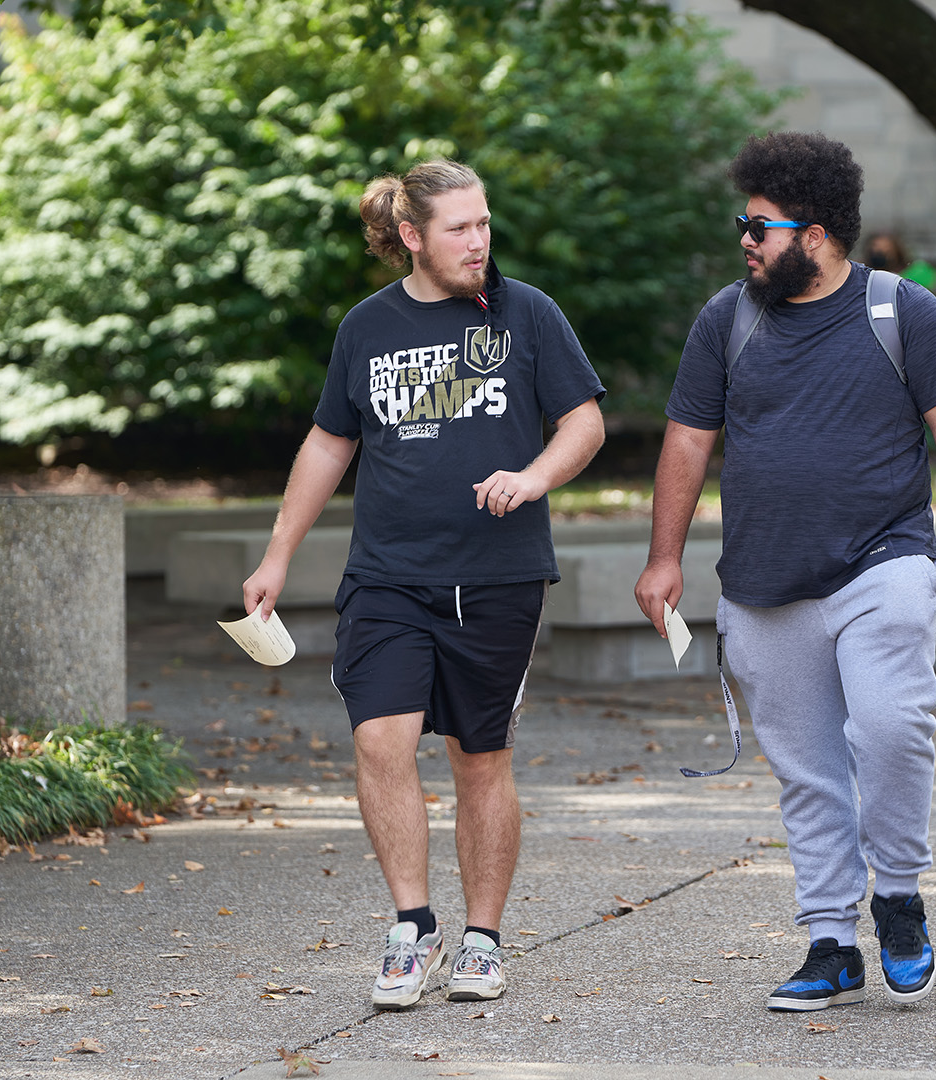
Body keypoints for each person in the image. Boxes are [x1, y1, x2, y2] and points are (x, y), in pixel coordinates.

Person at [634, 133, 936, 1012]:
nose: (744, 240)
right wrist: (663, 558)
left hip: (882, 561)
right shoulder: (728, 319)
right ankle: (832, 942)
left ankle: (899, 897)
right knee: (806, 771)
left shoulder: (903, 313)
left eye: (757, 224)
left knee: (890, 727)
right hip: (762, 582)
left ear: (816, 233)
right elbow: (688, 444)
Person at [242, 160, 606, 1010]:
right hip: (388, 575)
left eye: (485, 224)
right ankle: (413, 926)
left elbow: (583, 421)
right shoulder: (366, 327)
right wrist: (276, 555)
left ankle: (483, 941)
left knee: (479, 758)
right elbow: (331, 443)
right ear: (412, 236)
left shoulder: (528, 313)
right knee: (380, 741)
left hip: (498, 576)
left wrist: (534, 476)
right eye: (459, 229)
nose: (479, 242)